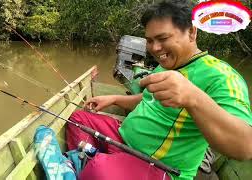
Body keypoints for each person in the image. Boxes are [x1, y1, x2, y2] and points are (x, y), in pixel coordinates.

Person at [66, 0, 252, 179]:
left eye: (163, 38)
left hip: (156, 165)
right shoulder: (166, 65)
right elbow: (147, 98)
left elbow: (245, 147)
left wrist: (192, 97)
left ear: (192, 32)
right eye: (149, 40)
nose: (154, 48)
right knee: (77, 120)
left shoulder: (222, 77)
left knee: (99, 171)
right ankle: (100, 162)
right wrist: (114, 99)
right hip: (122, 138)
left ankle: (94, 163)